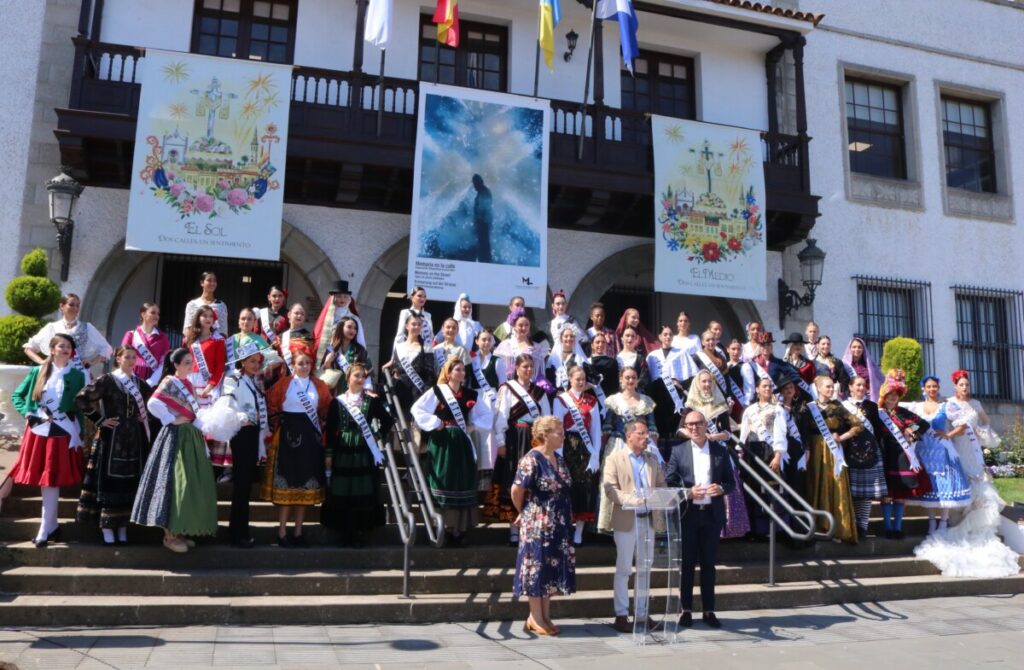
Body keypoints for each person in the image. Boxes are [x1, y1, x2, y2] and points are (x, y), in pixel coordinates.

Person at [914, 370, 1020, 577]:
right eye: (961, 384)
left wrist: (981, 432)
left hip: (972, 447)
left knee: (977, 480)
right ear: (955, 386)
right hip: (956, 447)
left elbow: (985, 422)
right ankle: (956, 519)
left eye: (967, 384)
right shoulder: (949, 403)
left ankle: (973, 522)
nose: (965, 387)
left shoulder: (976, 404)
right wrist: (948, 435)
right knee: (959, 479)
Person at [131, 348, 218, 552]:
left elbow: (193, 412)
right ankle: (169, 536)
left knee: (188, 484)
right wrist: (171, 419)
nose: (190, 365)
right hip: (175, 437)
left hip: (191, 437)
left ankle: (179, 530)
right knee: (173, 482)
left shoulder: (189, 384)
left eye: (191, 362)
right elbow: (153, 403)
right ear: (176, 365)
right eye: (186, 362)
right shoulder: (170, 382)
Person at [10, 334, 86, 547]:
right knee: (47, 479)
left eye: (69, 346)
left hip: (64, 431)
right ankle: (49, 526)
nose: (66, 349)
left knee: (52, 478)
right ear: (52, 349)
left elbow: (80, 407)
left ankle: (47, 527)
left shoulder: (78, 375)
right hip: (39, 430)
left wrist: (81, 433)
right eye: (62, 346)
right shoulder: (37, 371)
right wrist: (28, 414)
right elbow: (17, 396)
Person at [75, 346, 153, 545]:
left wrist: (142, 416)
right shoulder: (108, 380)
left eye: (134, 357)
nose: (131, 361)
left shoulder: (140, 384)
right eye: (127, 357)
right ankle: (107, 527)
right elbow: (82, 398)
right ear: (118, 359)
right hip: (112, 438)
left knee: (130, 481)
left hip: (133, 438)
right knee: (109, 480)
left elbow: (152, 405)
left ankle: (123, 526)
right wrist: (100, 420)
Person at [412, 357, 492, 545]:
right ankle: (442, 528)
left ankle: (459, 529)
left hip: (462, 442)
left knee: (461, 481)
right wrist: (436, 423)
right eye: (457, 370)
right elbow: (417, 409)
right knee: (444, 479)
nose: (462, 373)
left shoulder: (471, 394)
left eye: (463, 370)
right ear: (448, 373)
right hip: (442, 442)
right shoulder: (437, 391)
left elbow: (488, 414)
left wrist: (473, 426)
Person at [666, 410, 735, 629]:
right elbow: (669, 481)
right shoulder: (678, 451)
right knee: (686, 564)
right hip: (689, 514)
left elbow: (730, 482)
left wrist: (721, 489)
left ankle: (709, 610)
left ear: (706, 425)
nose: (694, 428)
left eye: (698, 423)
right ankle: (685, 610)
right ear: (686, 428)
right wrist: (687, 492)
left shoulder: (720, 451)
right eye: (690, 425)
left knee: (708, 564)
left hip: (712, 515)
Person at [512, 416, 576, 635]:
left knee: (551, 569)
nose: (563, 436)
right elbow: (516, 490)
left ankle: (545, 616)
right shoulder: (531, 459)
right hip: (538, 524)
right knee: (537, 569)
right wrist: (524, 511)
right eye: (559, 433)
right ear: (545, 435)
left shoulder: (558, 458)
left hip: (559, 523)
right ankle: (535, 617)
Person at [603, 418, 667, 634]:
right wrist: (631, 500)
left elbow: (662, 484)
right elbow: (610, 489)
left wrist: (659, 496)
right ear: (629, 435)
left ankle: (642, 613)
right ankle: (621, 614)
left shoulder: (652, 459)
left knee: (645, 569)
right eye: (641, 433)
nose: (646, 437)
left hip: (648, 520)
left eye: (647, 433)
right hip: (626, 520)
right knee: (624, 569)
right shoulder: (615, 458)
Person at [261, 347, 330, 547]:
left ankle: (298, 532)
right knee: (288, 486)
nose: (304, 366)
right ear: (293, 365)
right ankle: (282, 532)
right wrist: (278, 427)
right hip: (287, 440)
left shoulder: (319, 386)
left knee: (304, 488)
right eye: (300, 363)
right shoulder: (284, 384)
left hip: (310, 441)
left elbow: (326, 409)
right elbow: (271, 406)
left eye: (308, 363)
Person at [323, 363, 393, 546]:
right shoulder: (337, 402)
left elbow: (388, 420)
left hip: (364, 449)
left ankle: (360, 531)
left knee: (363, 488)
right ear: (348, 378)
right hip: (343, 449)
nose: (360, 379)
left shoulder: (371, 401)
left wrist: (376, 435)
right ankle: (344, 532)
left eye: (363, 376)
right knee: (343, 488)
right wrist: (329, 453)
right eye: (357, 375)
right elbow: (330, 429)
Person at [216, 340, 275, 548]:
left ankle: (241, 530)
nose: (256, 365)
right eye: (251, 361)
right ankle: (237, 534)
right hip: (242, 433)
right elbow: (227, 403)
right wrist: (243, 418)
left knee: (246, 485)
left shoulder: (254, 380)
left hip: (253, 434)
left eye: (258, 361)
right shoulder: (233, 378)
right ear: (242, 362)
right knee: (241, 485)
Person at [489, 354, 552, 542]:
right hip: (515, 439)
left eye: (531, 366)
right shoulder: (508, 389)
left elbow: (546, 418)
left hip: (534, 441)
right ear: (516, 368)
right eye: (525, 366)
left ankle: (532, 527)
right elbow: (501, 418)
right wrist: (501, 442)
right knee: (515, 480)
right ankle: (514, 530)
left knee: (534, 482)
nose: (528, 370)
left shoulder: (539, 392)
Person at [683, 370, 749, 540]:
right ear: (698, 383)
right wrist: (696, 435)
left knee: (726, 483)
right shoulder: (691, 405)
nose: (707, 384)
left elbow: (727, 432)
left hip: (717, 448)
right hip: (696, 450)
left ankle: (727, 529)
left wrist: (713, 437)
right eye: (703, 381)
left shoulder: (720, 404)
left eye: (709, 381)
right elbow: (679, 429)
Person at [797, 376, 863, 544]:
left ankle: (837, 529)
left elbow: (858, 425)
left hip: (834, 452)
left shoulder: (837, 407)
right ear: (818, 388)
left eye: (832, 386)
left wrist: (841, 437)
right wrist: (806, 449)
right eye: (827, 387)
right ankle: (816, 527)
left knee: (835, 485)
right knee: (814, 485)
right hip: (813, 451)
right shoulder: (808, 407)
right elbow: (802, 430)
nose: (831, 389)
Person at [904, 376, 972, 533]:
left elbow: (963, 424)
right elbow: (912, 426)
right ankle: (931, 521)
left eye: (934, 386)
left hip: (941, 449)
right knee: (929, 485)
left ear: (938, 388)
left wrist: (949, 435)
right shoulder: (917, 407)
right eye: (929, 386)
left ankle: (943, 521)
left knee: (945, 484)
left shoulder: (946, 406)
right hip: (923, 450)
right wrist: (910, 432)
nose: (932, 389)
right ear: (924, 389)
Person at [598, 367, 659, 532]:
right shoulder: (614, 401)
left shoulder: (646, 401)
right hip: (618, 444)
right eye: (627, 378)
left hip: (642, 446)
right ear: (621, 380)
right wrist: (601, 452)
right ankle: (611, 523)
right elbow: (607, 426)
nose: (630, 381)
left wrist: (654, 451)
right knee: (615, 481)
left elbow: (652, 428)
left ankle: (645, 520)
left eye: (633, 377)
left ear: (638, 380)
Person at [873, 369, 931, 540]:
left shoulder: (903, 413)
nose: (892, 398)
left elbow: (923, 425)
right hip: (885, 454)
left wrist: (911, 432)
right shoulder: (877, 413)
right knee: (887, 494)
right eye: (889, 395)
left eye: (895, 395)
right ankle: (888, 528)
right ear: (884, 396)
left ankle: (897, 528)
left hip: (901, 456)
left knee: (900, 494)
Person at [552, 366, 601, 545]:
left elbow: (596, 429)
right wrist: (557, 456)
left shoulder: (592, 401)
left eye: (583, 379)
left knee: (584, 486)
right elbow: (557, 427)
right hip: (566, 445)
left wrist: (595, 453)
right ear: (570, 379)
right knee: (565, 485)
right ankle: (565, 527)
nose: (580, 382)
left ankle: (579, 531)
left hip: (585, 447)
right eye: (577, 379)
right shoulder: (561, 400)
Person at [738, 377, 788, 540]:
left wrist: (778, 455)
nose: (767, 389)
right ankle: (754, 529)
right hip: (752, 451)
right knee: (753, 490)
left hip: (769, 452)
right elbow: (744, 433)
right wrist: (740, 451)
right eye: (764, 386)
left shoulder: (777, 409)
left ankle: (772, 530)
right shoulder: (750, 410)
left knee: (770, 490)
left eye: (769, 386)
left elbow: (780, 433)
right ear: (757, 389)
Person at [24, 293, 111, 382]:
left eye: (77, 305)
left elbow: (106, 348)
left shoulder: (87, 327)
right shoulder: (52, 327)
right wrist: (43, 362)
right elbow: (29, 348)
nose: (75, 308)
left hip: (79, 373)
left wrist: (92, 362)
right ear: (62, 306)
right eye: (71, 305)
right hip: (56, 373)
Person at [840, 376, 888, 536]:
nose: (861, 388)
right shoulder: (843, 406)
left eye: (864, 385)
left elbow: (878, 430)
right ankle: (853, 524)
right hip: (850, 451)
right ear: (850, 387)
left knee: (867, 493)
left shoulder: (872, 406)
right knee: (853, 492)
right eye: (858, 385)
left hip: (870, 451)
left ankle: (863, 526)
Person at [185, 305, 228, 475]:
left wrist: (210, 387)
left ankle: (205, 468)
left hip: (208, 386)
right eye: (204, 315)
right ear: (198, 318)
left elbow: (220, 367)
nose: (208, 319)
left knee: (205, 427)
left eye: (211, 316)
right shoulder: (190, 340)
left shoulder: (218, 340)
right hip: (190, 384)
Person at [468, 329, 501, 500]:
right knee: (476, 439)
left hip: (491, 402)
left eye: (489, 340)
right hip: (475, 402)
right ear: (477, 341)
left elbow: (502, 385)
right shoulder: (471, 360)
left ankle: (487, 489)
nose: (486, 343)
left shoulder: (497, 361)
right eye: (483, 339)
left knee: (489, 442)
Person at [646, 326, 692, 445]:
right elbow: (648, 376)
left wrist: (680, 384)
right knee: (660, 421)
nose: (668, 337)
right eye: (665, 334)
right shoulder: (652, 356)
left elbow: (690, 374)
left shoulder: (681, 353)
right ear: (660, 337)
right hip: (658, 393)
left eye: (670, 334)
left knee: (674, 422)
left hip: (675, 393)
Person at [383, 313, 435, 413]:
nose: (416, 327)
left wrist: (427, 391)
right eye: (413, 324)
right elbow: (395, 368)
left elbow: (430, 373)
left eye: (419, 324)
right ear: (407, 326)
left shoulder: (426, 348)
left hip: (419, 392)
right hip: (400, 390)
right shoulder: (399, 347)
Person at [313, 280, 366, 367]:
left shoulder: (354, 318)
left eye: (345, 296)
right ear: (334, 298)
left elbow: (360, 339)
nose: (342, 299)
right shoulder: (328, 317)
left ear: (349, 299)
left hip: (350, 354)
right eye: (339, 296)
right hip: (331, 353)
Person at [121, 303, 170, 387]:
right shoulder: (131, 335)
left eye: (158, 313)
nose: (156, 316)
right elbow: (123, 357)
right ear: (143, 314)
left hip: (154, 380)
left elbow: (164, 362)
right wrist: (133, 379)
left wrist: (151, 382)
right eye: (153, 312)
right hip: (131, 377)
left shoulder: (163, 338)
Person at [494, 311, 550, 385]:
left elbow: (540, 373)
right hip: (510, 386)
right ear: (514, 326)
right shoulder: (505, 345)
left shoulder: (536, 347)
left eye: (526, 325)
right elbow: (497, 368)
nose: (524, 328)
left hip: (530, 387)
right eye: (520, 325)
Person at [182, 271, 228, 338]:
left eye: (214, 281)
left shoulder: (221, 306)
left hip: (215, 343)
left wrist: (214, 342)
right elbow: (187, 329)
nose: (212, 283)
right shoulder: (192, 305)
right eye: (209, 280)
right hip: (196, 342)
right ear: (202, 283)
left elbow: (223, 331)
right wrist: (198, 342)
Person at [545, 325, 590, 392]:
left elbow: (593, 380)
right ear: (561, 339)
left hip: (574, 396)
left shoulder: (579, 358)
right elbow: (548, 379)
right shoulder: (553, 358)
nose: (569, 338)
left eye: (571, 336)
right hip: (557, 396)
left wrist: (575, 391)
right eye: (566, 336)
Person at [842, 336, 884, 402]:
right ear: (850, 349)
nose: (857, 349)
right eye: (854, 347)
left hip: (868, 398)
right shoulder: (844, 364)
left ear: (863, 349)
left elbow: (880, 379)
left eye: (859, 347)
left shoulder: (869, 364)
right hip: (850, 398)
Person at [393, 286, 434, 353]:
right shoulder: (405, 312)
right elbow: (400, 335)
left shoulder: (428, 315)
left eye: (424, 296)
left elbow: (431, 335)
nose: (422, 298)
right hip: (411, 350)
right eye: (419, 296)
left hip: (427, 351)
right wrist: (394, 354)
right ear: (412, 297)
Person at [616, 326, 651, 393]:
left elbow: (644, 378)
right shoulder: (616, 358)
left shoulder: (640, 358)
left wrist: (632, 385)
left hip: (636, 393)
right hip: (619, 393)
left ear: (636, 339)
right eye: (627, 335)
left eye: (632, 336)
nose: (630, 338)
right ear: (622, 338)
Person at [255, 285, 289, 349]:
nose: (277, 299)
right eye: (274, 296)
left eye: (280, 296)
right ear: (269, 297)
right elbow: (255, 334)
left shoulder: (289, 315)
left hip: (282, 350)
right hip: (264, 350)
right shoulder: (262, 313)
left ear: (284, 298)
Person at [588, 331, 619, 400]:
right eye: (597, 342)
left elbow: (615, 385)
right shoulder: (586, 362)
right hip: (591, 399)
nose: (600, 344)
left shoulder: (612, 362)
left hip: (608, 398)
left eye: (603, 342)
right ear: (592, 345)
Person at [472, 174, 493, 263]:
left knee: (484, 244)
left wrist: (479, 221)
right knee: (483, 244)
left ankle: (484, 260)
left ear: (478, 183)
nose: (474, 186)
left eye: (474, 183)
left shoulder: (484, 192)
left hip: (483, 223)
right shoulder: (483, 192)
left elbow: (483, 208)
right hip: (483, 223)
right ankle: (484, 259)